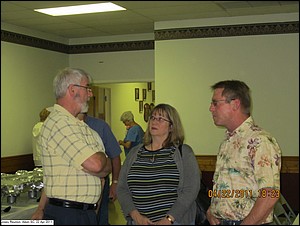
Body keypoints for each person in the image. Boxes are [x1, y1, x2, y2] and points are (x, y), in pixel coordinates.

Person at [31, 67, 111, 225]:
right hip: (68, 214)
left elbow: (106, 169)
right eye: (87, 88)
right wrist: (100, 160)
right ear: (73, 90)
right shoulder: (59, 123)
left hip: (84, 213)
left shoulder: (81, 127)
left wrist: (98, 163)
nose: (91, 94)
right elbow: (96, 165)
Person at [206, 80, 282, 225]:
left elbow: (270, 194)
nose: (211, 108)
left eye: (215, 103)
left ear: (235, 104)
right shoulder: (227, 142)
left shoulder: (260, 141)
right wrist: (212, 210)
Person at [117, 103, 201, 225]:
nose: (154, 122)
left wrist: (169, 219)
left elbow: (191, 190)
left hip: (174, 222)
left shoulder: (183, 152)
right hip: (138, 222)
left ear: (171, 126)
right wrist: (136, 216)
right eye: (153, 118)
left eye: (160, 119)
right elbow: (122, 188)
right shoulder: (135, 153)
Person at [78, 112, 122, 225]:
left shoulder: (100, 127)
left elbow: (115, 155)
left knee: (100, 219)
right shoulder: (65, 126)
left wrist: (115, 182)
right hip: (74, 185)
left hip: (99, 181)